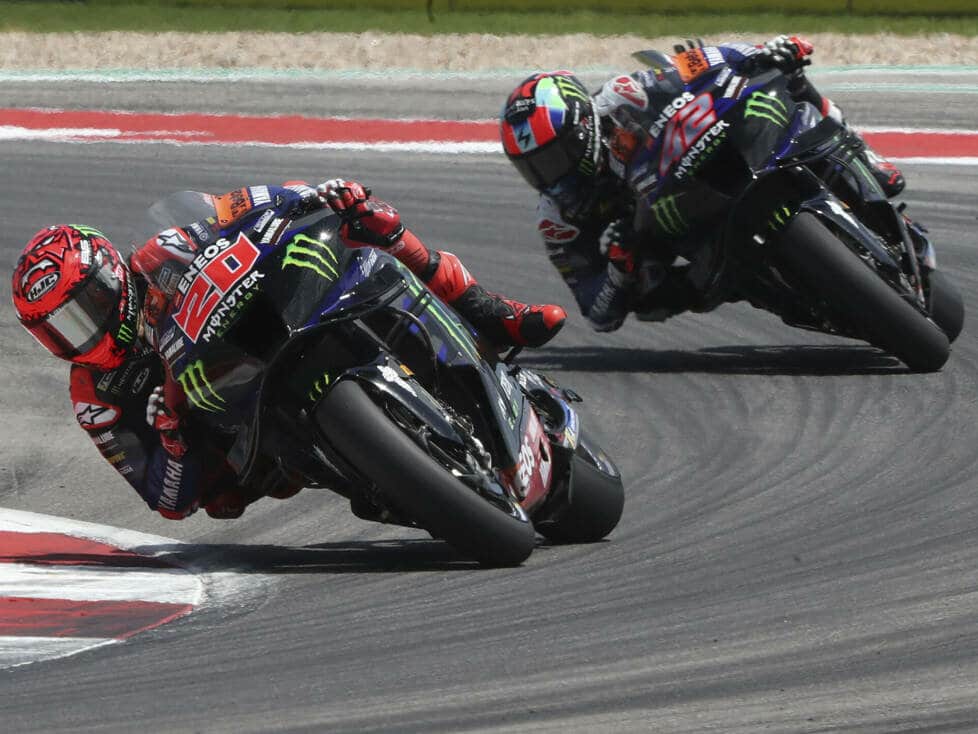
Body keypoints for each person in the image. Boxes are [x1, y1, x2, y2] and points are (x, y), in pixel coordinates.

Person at [10, 180, 566, 520]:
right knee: (222, 503)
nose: (84, 333)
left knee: (368, 225)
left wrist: (314, 194)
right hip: (238, 440)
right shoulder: (93, 393)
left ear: (112, 276)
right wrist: (174, 443)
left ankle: (489, 311)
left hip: (274, 319)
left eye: (85, 308)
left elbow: (241, 205)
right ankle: (378, 471)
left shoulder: (165, 249)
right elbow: (166, 501)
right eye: (60, 330)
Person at [499, 35, 909, 333]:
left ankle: (865, 157)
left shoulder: (625, 95)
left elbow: (695, 62)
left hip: (697, 168)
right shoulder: (557, 216)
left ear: (584, 127)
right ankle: (767, 287)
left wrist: (764, 51)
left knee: (789, 83)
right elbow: (597, 313)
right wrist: (620, 271)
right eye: (534, 168)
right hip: (673, 237)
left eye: (553, 158)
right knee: (650, 298)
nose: (549, 175)